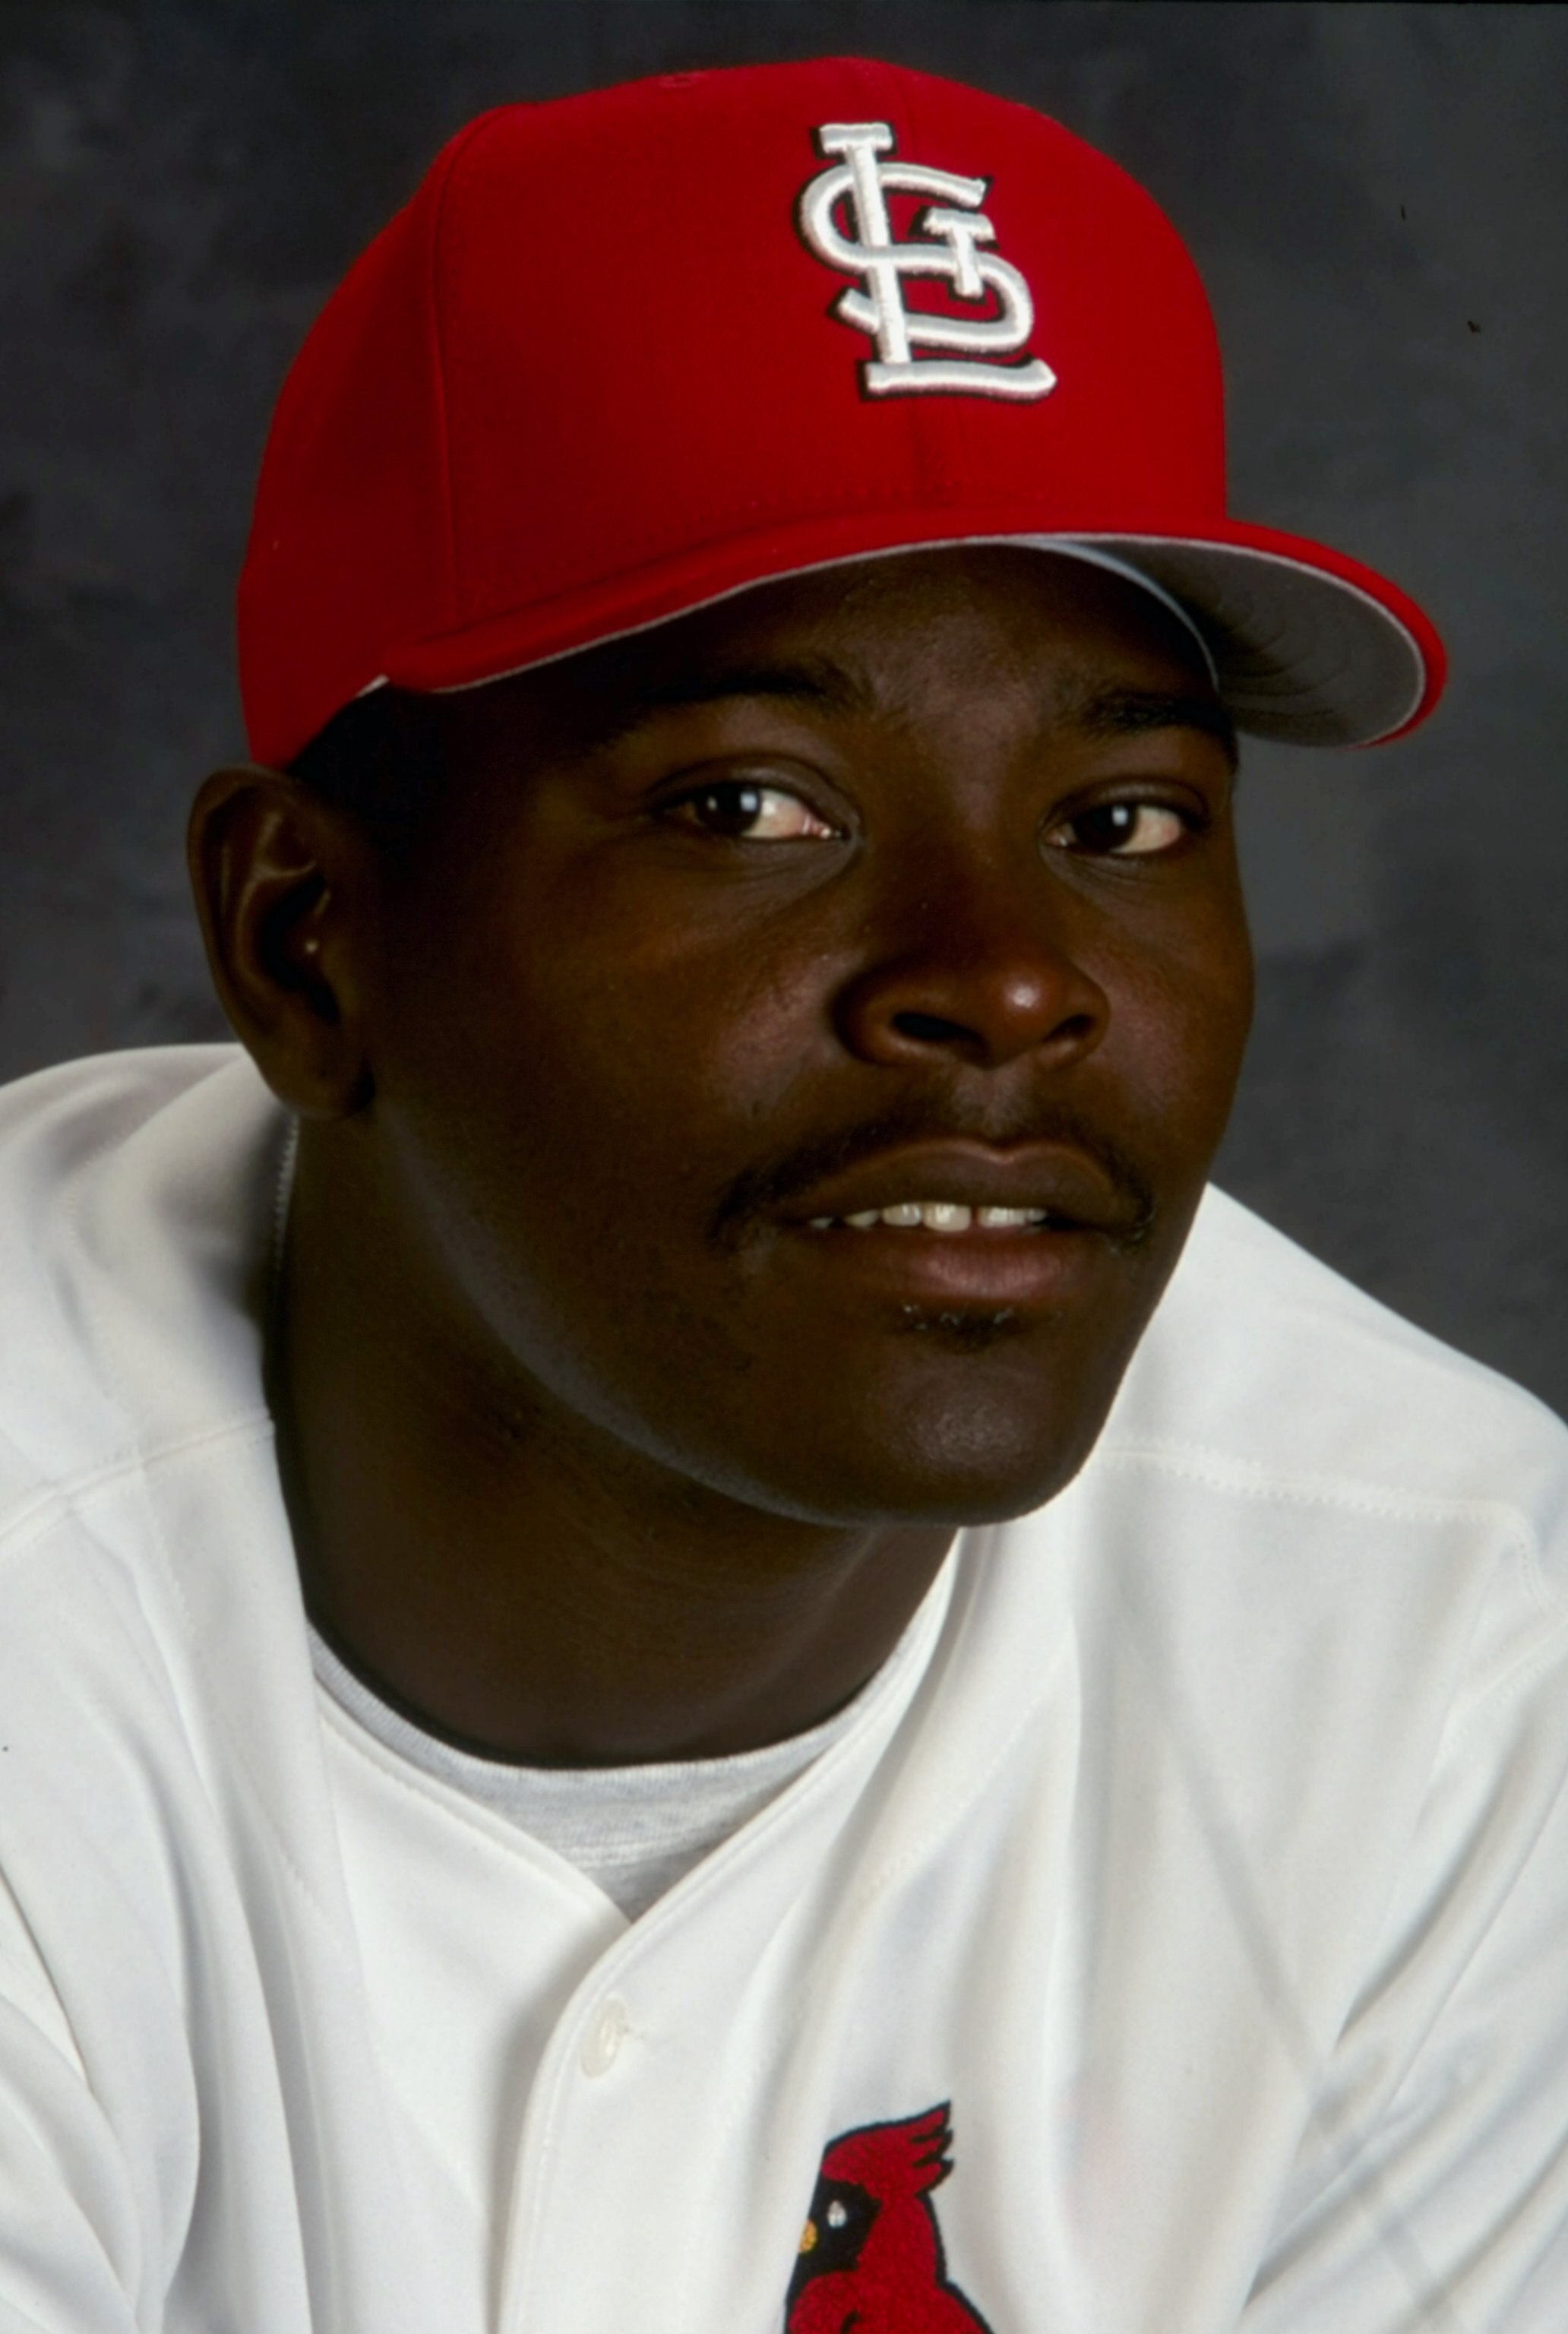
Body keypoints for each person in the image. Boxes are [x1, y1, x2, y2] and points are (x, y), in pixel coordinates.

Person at [0, 52, 1563, 2334]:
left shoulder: (1435, 1635)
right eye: (752, 808)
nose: (1009, 980)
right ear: (304, 940)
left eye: (1122, 820)